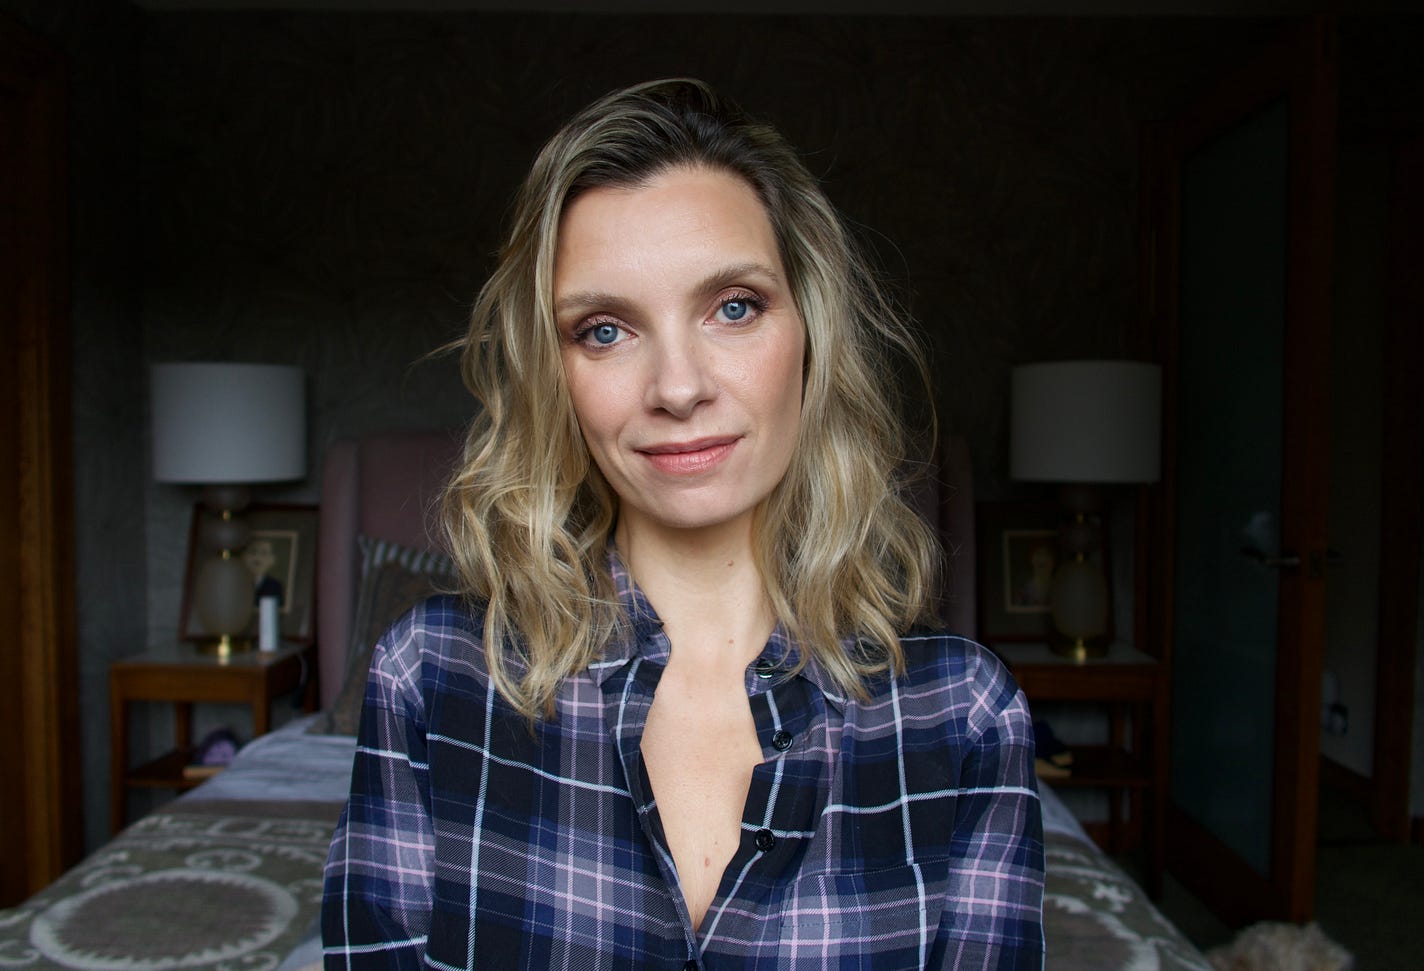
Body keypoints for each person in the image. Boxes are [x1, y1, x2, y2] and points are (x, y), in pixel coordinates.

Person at [321, 78, 1044, 969]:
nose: (677, 387)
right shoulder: (431, 679)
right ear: (553, 374)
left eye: (734, 306)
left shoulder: (965, 715)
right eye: (604, 330)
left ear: (811, 334)